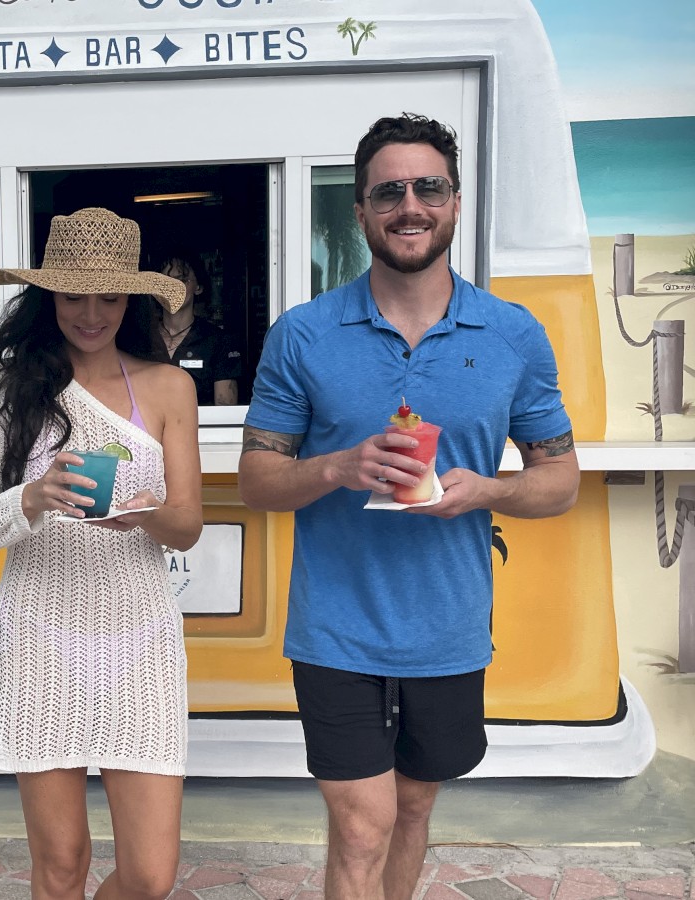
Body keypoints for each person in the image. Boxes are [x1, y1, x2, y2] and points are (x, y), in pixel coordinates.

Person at [238, 114, 580, 900]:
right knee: (362, 822)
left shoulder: (512, 334)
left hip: (449, 626)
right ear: (358, 211)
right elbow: (258, 480)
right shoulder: (304, 335)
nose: (409, 206)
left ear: (456, 203)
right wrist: (338, 466)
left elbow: (558, 480)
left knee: (414, 808)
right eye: (387, 192)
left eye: (428, 187)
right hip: (336, 627)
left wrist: (489, 490)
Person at [0, 207, 202, 900]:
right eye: (72, 295)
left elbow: (187, 526)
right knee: (60, 865)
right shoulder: (2, 386)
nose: (90, 313)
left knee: (150, 875)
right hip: (40, 637)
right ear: (47, 297)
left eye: (109, 297)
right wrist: (32, 497)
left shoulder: (169, 386)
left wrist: (143, 515)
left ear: (133, 300)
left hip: (140, 639)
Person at [152, 252, 241, 405]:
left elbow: (225, 410)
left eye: (181, 280)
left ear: (198, 287)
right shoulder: (141, 338)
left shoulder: (218, 341)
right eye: (165, 281)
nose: (173, 288)